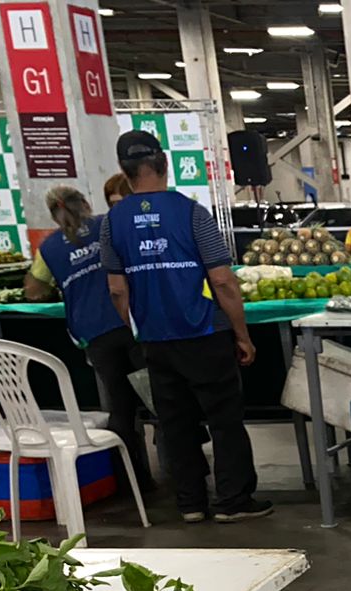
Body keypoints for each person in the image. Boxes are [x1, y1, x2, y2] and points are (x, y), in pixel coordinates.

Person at [102, 130, 271, 523]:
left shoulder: (112, 223)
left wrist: (137, 329)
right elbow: (223, 281)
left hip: (156, 339)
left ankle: (191, 503)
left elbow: (116, 289)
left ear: (125, 172)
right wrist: (242, 335)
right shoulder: (192, 213)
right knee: (224, 419)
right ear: (164, 164)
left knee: (175, 423)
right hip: (204, 332)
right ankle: (232, 500)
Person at [24, 185, 153, 491]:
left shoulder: (49, 248)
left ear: (53, 214)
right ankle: (187, 475)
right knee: (161, 398)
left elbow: (33, 289)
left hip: (93, 333)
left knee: (120, 408)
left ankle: (132, 482)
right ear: (85, 202)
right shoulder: (108, 224)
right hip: (131, 323)